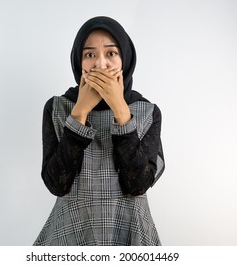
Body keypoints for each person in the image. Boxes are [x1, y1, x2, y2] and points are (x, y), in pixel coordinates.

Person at [33, 16, 165, 246]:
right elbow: (56, 184)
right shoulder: (57, 108)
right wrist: (80, 111)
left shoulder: (147, 112)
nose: (100, 64)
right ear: (79, 61)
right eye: (90, 54)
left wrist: (120, 110)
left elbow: (137, 185)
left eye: (111, 53)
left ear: (125, 58)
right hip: (70, 234)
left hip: (131, 234)